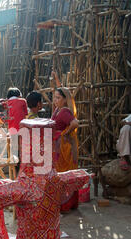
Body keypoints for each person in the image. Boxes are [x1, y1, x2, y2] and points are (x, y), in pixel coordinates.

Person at [50, 71, 80, 212]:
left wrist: (64, 133)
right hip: (59, 147)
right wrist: (57, 81)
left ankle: (66, 204)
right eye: (54, 98)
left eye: (57, 98)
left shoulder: (64, 111)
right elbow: (63, 91)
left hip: (64, 149)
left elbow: (75, 123)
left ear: (64, 99)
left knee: (64, 175)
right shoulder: (59, 109)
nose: (55, 100)